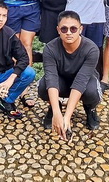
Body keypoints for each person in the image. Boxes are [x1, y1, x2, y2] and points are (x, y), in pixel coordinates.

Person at [38, 10, 102, 138]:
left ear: (80, 29)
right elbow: (52, 79)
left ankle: (90, 108)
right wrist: (57, 113)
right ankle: (54, 107)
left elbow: (80, 81)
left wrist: (67, 117)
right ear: (58, 30)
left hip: (84, 82)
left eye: (73, 29)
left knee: (92, 91)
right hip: (61, 80)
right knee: (43, 86)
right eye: (64, 29)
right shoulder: (50, 48)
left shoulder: (91, 49)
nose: (68, 32)